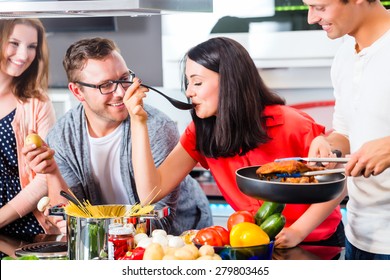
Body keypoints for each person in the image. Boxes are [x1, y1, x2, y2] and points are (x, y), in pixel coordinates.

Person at [125, 36, 346, 249]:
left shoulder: (291, 123)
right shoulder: (200, 132)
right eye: (188, 82)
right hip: (255, 243)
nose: (189, 92)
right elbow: (149, 193)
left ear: (230, 81)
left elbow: (339, 185)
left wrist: (299, 231)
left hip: (318, 244)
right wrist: (138, 121)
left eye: (197, 82)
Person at [36, 37, 212, 235]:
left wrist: (89, 228)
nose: (120, 92)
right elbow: (75, 215)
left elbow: (159, 224)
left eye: (124, 78)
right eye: (106, 85)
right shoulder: (62, 137)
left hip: (183, 235)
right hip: (111, 244)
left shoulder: (157, 128)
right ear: (77, 91)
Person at [304, 0, 390, 259]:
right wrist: (330, 145)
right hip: (359, 232)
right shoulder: (344, 54)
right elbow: (346, 131)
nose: (311, 18)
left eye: (320, 7)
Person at [0, 19, 60, 235]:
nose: (24, 55)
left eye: (32, 46)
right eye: (14, 43)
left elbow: (46, 177)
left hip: (25, 223)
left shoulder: (38, 103)